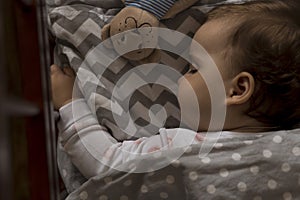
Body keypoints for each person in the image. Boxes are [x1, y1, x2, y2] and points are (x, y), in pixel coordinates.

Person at [51, 0, 300, 178]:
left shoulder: (183, 147)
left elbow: (105, 163)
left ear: (237, 90)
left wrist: (70, 104)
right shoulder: (292, 147)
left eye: (193, 68)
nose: (181, 76)